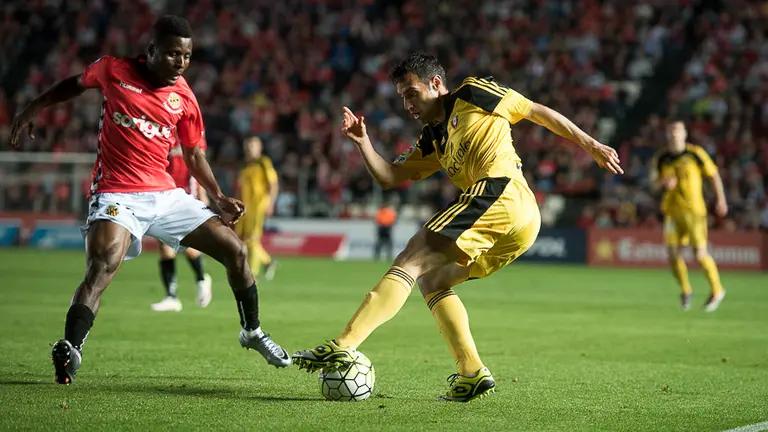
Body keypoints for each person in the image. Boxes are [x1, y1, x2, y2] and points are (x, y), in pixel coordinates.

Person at [292, 53, 623, 401]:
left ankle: (344, 344)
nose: (407, 105)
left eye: (412, 93)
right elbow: (390, 176)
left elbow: (533, 110)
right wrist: (363, 144)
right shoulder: (432, 139)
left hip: (501, 192)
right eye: (402, 97)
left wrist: (591, 144)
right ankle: (472, 372)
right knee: (433, 280)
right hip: (518, 219)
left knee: (410, 259)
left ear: (436, 84)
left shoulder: (471, 93)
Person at [7, 15, 291, 385]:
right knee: (103, 264)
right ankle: (71, 349)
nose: (181, 63)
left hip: (164, 194)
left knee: (235, 251)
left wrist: (219, 196)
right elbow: (74, 85)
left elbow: (193, 154)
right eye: (173, 54)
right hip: (116, 192)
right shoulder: (114, 70)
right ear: (152, 50)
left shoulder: (184, 97)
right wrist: (36, 106)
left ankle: (252, 332)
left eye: (186, 56)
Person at [650, 119, 727, 312]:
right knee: (672, 254)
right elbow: (653, 184)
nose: (674, 134)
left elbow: (713, 175)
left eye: (677, 130)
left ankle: (717, 290)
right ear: (667, 134)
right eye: (671, 130)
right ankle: (686, 290)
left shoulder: (695, 154)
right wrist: (663, 183)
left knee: (699, 254)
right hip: (672, 212)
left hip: (694, 211)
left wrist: (721, 199)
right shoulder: (662, 158)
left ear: (684, 133)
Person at [150, 139, 212, 312]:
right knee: (164, 246)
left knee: (186, 244)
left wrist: (202, 193)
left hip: (185, 194)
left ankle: (201, 279)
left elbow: (199, 162)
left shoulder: (192, 133)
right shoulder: (163, 131)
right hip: (164, 192)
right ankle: (171, 297)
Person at [236, 136, 279, 281]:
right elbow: (240, 187)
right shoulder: (244, 165)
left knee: (252, 238)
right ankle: (267, 261)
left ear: (259, 148)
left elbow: (273, 183)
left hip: (258, 204)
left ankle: (253, 273)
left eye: (252, 145)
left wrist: (270, 203)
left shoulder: (263, 162)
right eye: (247, 145)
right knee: (243, 239)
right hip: (245, 207)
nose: (249, 148)